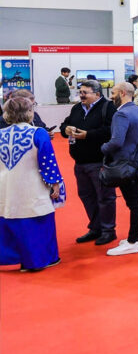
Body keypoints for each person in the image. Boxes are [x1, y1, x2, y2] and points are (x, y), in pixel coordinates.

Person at [0, 96, 65, 271]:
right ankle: (38, 260)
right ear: (29, 112)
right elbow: (47, 163)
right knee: (38, 221)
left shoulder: (0, 134)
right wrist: (55, 184)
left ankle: (16, 257)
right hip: (31, 185)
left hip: (5, 187)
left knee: (10, 219)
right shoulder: (38, 133)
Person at [60, 79, 117, 246]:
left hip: (100, 161)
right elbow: (65, 123)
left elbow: (111, 131)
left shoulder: (108, 107)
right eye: (80, 92)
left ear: (97, 94)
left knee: (105, 198)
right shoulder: (77, 108)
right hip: (79, 162)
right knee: (86, 196)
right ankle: (95, 228)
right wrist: (65, 129)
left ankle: (108, 231)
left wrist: (88, 135)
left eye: (85, 93)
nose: (81, 95)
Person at [101, 83, 138, 256]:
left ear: (122, 93)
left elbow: (116, 141)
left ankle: (132, 241)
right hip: (137, 162)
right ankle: (135, 238)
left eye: (113, 93)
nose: (111, 96)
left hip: (126, 164)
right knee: (135, 201)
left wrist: (103, 148)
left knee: (135, 202)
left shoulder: (121, 114)